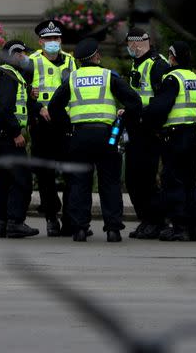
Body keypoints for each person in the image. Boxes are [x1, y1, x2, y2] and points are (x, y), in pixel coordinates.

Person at [47, 38, 141, 242]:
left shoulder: (71, 79)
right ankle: (113, 230)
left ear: (80, 60)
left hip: (79, 136)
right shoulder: (109, 76)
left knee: (79, 182)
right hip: (107, 137)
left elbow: (54, 107)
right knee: (110, 182)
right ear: (97, 56)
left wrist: (68, 127)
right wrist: (123, 120)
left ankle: (80, 229)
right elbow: (134, 101)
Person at [142, 41, 196, 242]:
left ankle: (180, 227)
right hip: (192, 134)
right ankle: (195, 228)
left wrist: (145, 117)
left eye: (169, 55)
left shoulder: (172, 78)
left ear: (173, 57)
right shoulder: (194, 77)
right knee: (190, 182)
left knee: (173, 180)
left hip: (175, 136)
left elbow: (160, 108)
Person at [0, 40, 41, 239]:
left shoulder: (5, 74)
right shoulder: (8, 75)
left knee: (3, 180)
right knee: (21, 180)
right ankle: (15, 222)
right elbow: (4, 108)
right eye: (20, 53)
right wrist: (16, 132)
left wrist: (29, 95)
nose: (24, 57)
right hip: (8, 136)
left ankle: (2, 223)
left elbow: (12, 103)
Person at [28, 19, 76, 237]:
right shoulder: (31, 62)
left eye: (55, 38)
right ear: (40, 42)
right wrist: (37, 107)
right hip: (42, 126)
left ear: (60, 40)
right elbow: (21, 93)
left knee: (70, 172)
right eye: (48, 39)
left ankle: (69, 219)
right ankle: (50, 216)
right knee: (45, 174)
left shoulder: (71, 62)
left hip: (65, 124)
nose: (52, 42)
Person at [123, 27, 170, 239]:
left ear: (142, 43)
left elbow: (161, 101)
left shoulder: (157, 65)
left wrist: (145, 117)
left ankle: (156, 221)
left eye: (132, 44)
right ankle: (146, 219)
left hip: (149, 130)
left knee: (146, 178)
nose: (130, 48)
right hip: (136, 129)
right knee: (133, 178)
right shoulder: (138, 63)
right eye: (128, 45)